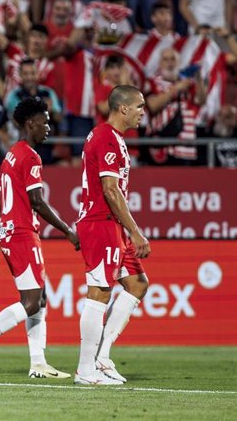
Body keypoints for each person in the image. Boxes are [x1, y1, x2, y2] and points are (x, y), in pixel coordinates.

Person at [0, 97, 79, 380]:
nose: (48, 128)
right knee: (32, 302)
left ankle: (38, 363)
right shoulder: (30, 157)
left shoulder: (12, 154)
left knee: (40, 298)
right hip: (22, 233)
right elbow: (37, 201)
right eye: (45, 122)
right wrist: (68, 231)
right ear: (30, 123)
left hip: (9, 234)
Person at [74, 85, 150, 385]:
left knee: (138, 284)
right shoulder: (106, 137)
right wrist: (136, 232)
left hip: (111, 224)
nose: (143, 111)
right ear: (123, 109)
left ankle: (102, 358)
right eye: (140, 106)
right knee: (100, 292)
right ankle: (85, 370)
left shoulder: (111, 137)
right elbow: (110, 189)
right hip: (101, 222)